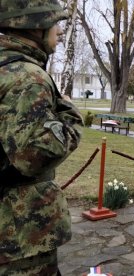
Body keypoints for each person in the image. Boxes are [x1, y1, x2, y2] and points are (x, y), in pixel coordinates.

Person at [0, 1, 84, 274]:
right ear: (34, 26)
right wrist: (69, 114)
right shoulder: (28, 78)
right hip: (20, 233)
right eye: (54, 23)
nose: (59, 31)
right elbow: (33, 157)